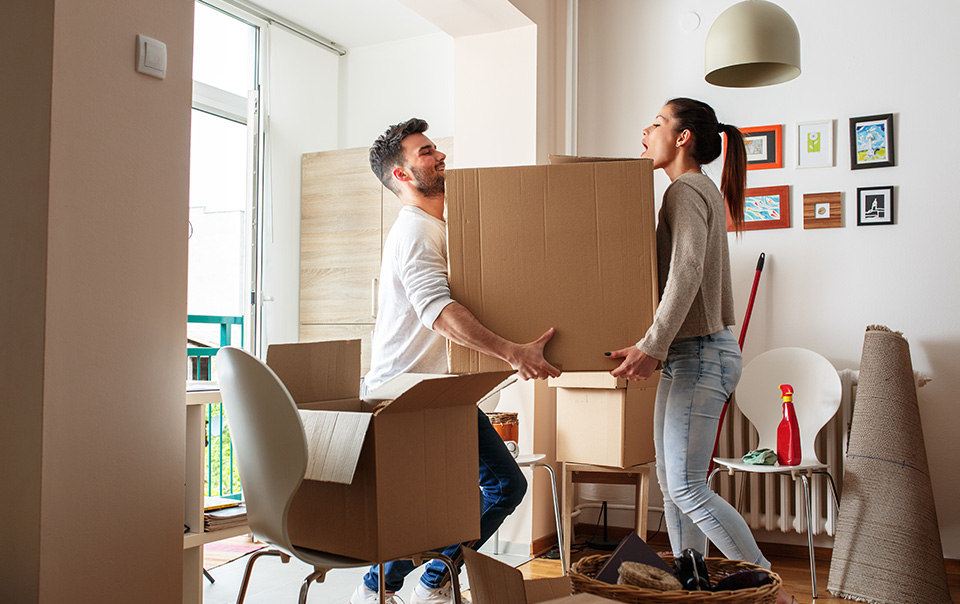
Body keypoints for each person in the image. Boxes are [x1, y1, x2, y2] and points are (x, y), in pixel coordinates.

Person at [350, 118, 561, 604]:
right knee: (491, 489)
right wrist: (512, 352)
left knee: (486, 491)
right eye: (426, 152)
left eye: (436, 148)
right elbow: (437, 311)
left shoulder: (444, 228)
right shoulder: (418, 232)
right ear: (401, 176)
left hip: (438, 393)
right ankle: (401, 584)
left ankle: (410, 582)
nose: (440, 156)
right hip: (403, 395)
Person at [604, 98, 797, 604]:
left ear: (683, 137)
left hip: (701, 354)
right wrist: (657, 346)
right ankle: (692, 589)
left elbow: (686, 273)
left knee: (687, 487)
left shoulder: (684, 191)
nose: (645, 132)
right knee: (673, 487)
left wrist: (651, 344)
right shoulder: (692, 189)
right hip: (690, 355)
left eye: (656, 123)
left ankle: (766, 588)